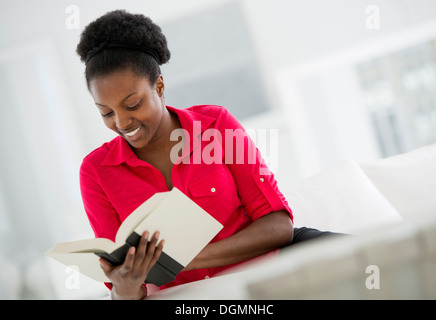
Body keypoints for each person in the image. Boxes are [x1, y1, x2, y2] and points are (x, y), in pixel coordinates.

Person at [76, 9, 334, 300]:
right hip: (191, 297)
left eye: (133, 104)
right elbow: (123, 288)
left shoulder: (215, 124)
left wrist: (180, 260)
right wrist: (125, 285)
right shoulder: (96, 172)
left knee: (375, 258)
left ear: (159, 86)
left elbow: (278, 226)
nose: (122, 123)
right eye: (106, 113)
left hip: (271, 267)